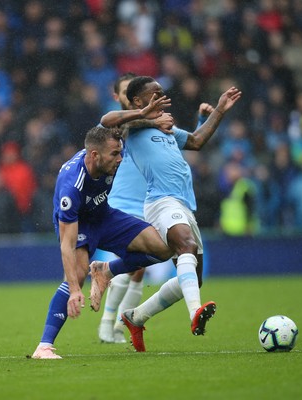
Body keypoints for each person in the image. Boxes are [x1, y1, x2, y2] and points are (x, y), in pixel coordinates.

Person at [91, 76, 241, 351]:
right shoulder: (130, 129)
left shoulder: (168, 127)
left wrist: (219, 110)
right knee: (185, 246)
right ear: (137, 101)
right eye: (155, 92)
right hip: (160, 201)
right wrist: (148, 118)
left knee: (194, 277)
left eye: (163, 91)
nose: (163, 96)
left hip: (184, 203)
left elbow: (196, 141)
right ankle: (194, 313)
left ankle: (135, 317)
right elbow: (107, 119)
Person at [32, 98, 175, 360]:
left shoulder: (102, 142)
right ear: (95, 155)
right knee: (75, 274)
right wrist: (76, 290)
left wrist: (147, 117)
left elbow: (110, 119)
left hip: (105, 216)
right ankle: (44, 346)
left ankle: (107, 271)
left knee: (163, 249)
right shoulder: (71, 188)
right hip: (80, 224)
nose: (120, 159)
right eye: (115, 154)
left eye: (121, 152)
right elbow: (66, 243)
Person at [98, 72, 174, 344]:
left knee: (139, 267)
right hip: (122, 202)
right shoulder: (119, 126)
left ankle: (118, 324)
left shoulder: (149, 124)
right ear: (118, 96)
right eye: (124, 92)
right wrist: (151, 118)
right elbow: (116, 126)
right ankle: (109, 323)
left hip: (147, 201)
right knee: (132, 263)